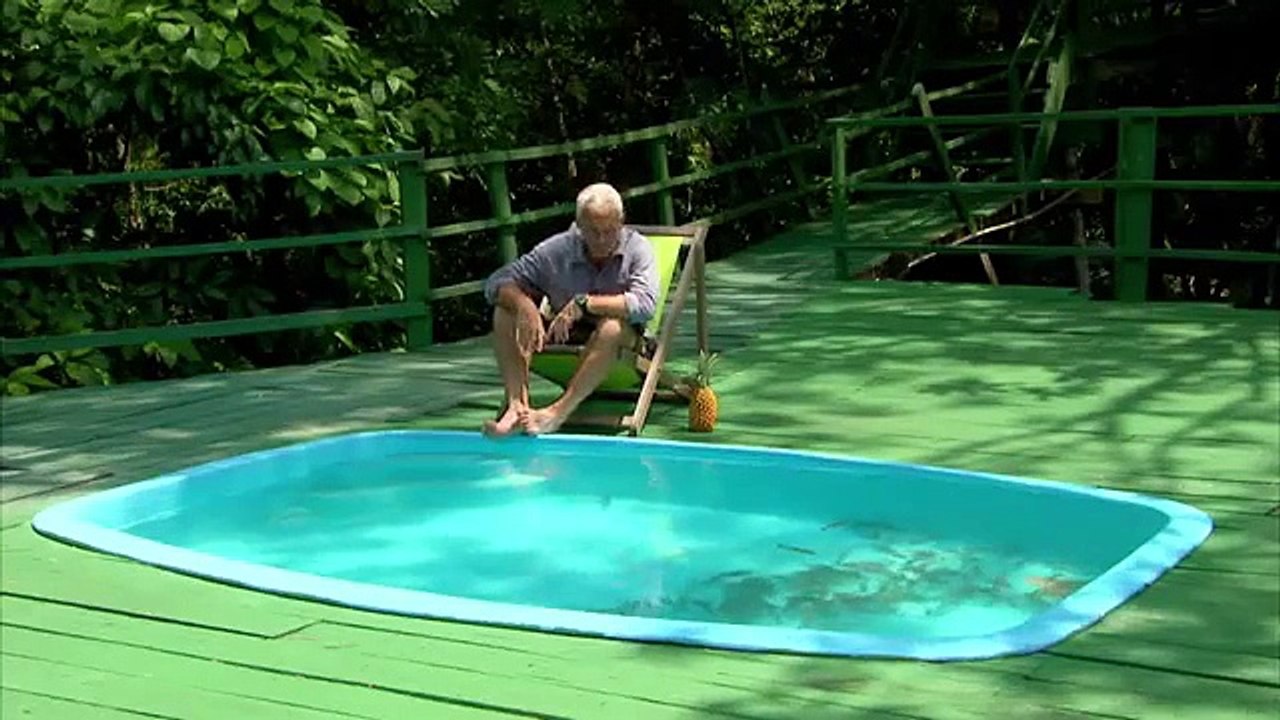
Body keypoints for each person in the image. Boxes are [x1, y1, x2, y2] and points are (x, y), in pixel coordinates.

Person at [481, 183, 659, 436]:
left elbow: (645, 305)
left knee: (611, 326)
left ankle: (557, 413)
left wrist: (585, 303)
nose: (601, 240)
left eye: (609, 231)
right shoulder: (557, 250)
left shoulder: (638, 249)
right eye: (593, 231)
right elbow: (496, 282)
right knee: (505, 311)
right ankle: (516, 407)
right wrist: (524, 305)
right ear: (578, 226)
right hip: (563, 333)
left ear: (621, 222)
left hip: (623, 338)